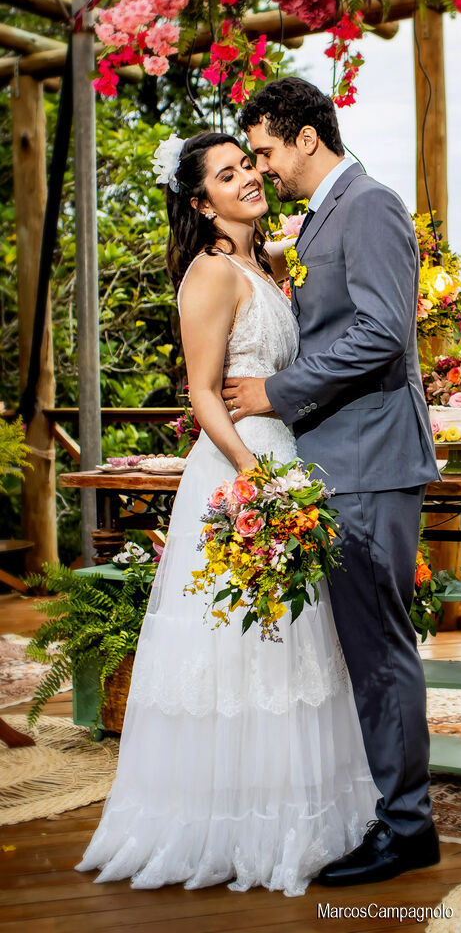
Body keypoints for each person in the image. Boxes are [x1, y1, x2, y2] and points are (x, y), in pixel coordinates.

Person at [76, 131, 378, 896]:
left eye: (248, 166)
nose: (247, 178)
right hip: (240, 472)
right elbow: (203, 392)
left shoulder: (266, 263)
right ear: (198, 198)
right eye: (226, 173)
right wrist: (254, 479)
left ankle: (300, 816)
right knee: (235, 646)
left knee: (293, 648)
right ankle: (224, 822)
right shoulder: (208, 275)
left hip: (287, 461)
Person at [224, 77, 441, 887]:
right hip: (339, 459)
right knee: (358, 646)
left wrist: (275, 393)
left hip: (371, 462)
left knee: (378, 648)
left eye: (268, 150)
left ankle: (406, 828)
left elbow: (385, 332)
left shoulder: (371, 205)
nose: (264, 167)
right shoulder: (323, 218)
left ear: (305, 138)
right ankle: (384, 807)